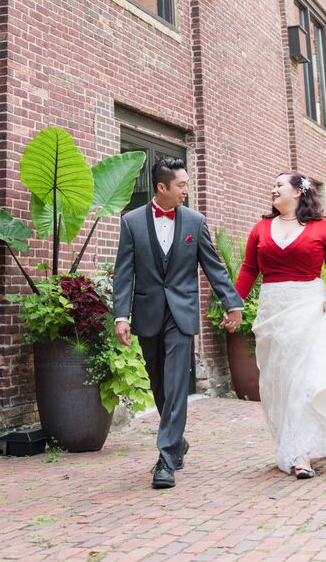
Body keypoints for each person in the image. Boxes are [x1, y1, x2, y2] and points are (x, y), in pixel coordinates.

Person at [113, 157, 243, 489]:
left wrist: (232, 304)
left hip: (181, 314)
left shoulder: (195, 222)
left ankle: (166, 460)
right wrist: (121, 315)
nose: (187, 190)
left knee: (174, 385)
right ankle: (177, 440)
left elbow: (214, 267)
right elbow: (124, 272)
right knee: (159, 384)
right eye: (181, 185)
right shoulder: (131, 222)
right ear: (162, 187)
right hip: (148, 313)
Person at [235, 170, 326, 479]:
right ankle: (292, 443)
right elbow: (248, 270)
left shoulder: (322, 227)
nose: (273, 189)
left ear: (298, 191)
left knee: (303, 380)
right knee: (279, 382)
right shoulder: (261, 228)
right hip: (273, 310)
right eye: (273, 185)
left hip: (310, 310)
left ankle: (300, 454)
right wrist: (234, 304)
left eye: (279, 185)